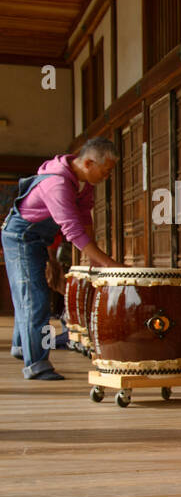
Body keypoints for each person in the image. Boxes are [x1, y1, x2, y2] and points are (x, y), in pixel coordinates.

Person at [2, 137, 122, 380]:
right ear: (89, 163)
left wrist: (93, 259)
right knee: (33, 298)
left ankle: (21, 346)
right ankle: (36, 364)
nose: (107, 176)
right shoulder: (57, 184)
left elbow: (85, 221)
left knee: (32, 293)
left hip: (40, 239)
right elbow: (72, 229)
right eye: (106, 170)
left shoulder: (83, 183)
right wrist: (108, 263)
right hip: (20, 237)